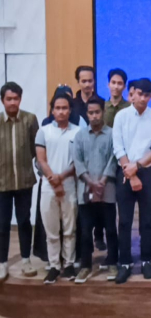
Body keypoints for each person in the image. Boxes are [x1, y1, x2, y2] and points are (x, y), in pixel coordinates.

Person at [112, 78, 151, 284]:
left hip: (147, 172)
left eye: (146, 95)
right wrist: (130, 172)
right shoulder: (121, 116)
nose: (142, 98)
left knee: (148, 221)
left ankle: (145, 261)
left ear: (150, 96)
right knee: (124, 221)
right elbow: (118, 147)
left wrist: (138, 167)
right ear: (132, 94)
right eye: (139, 94)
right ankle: (124, 263)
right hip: (125, 171)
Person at [36, 91, 81, 284]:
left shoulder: (78, 131)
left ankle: (69, 264)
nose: (61, 112)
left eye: (64, 108)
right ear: (52, 110)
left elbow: (77, 161)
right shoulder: (44, 131)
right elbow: (41, 159)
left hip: (70, 185)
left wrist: (61, 178)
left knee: (69, 229)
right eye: (57, 108)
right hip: (48, 187)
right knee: (52, 230)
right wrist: (53, 179)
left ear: (70, 110)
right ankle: (54, 265)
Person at [74, 97, 118, 283]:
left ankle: (113, 262)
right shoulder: (80, 135)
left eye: (97, 112)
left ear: (103, 112)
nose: (94, 116)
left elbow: (114, 159)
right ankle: (85, 265)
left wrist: (102, 180)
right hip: (86, 190)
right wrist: (90, 181)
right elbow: (77, 161)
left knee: (110, 229)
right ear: (87, 114)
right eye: (90, 113)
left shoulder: (112, 134)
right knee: (85, 231)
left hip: (107, 190)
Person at [0, 82, 40, 281]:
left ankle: (26, 260)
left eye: (16, 98)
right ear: (2, 100)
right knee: (2, 223)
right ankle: (2, 263)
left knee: (24, 221)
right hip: (2, 183)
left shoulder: (30, 120)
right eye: (9, 99)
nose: (13, 102)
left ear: (20, 99)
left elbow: (37, 150)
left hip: (24, 181)